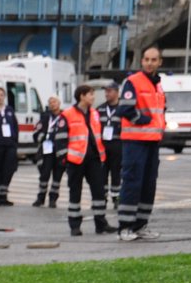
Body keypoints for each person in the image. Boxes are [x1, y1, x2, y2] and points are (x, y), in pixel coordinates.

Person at [116, 46, 166, 241]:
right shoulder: (133, 81)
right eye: (146, 59)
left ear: (159, 62)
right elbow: (125, 109)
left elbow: (161, 109)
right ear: (142, 61)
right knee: (132, 183)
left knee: (148, 185)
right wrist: (142, 119)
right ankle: (125, 227)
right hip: (135, 141)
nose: (149, 63)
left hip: (152, 141)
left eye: (154, 60)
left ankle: (140, 225)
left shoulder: (158, 84)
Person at [61, 83, 112, 237]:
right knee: (75, 194)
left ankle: (101, 224)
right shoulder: (68, 114)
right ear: (82, 96)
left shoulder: (95, 113)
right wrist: (64, 159)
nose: (93, 97)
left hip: (94, 160)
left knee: (99, 192)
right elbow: (61, 139)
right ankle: (75, 226)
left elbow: (99, 134)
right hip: (75, 160)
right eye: (90, 94)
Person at [32, 95, 67, 208]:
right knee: (44, 175)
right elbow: (36, 132)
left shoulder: (65, 117)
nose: (52, 104)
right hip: (46, 151)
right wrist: (42, 137)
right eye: (50, 102)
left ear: (59, 103)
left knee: (57, 177)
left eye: (54, 102)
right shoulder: (44, 117)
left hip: (60, 151)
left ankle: (53, 199)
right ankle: (40, 198)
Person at [96, 82, 123, 209]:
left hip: (118, 145)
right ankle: (102, 199)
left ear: (117, 92)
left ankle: (117, 198)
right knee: (102, 174)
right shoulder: (100, 109)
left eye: (109, 91)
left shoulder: (123, 108)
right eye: (105, 91)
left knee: (116, 174)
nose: (107, 93)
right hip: (102, 146)